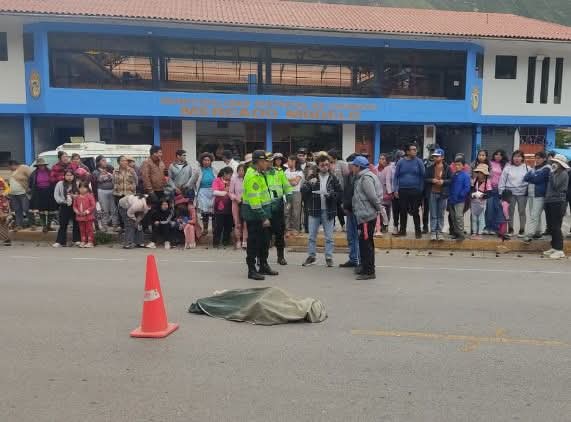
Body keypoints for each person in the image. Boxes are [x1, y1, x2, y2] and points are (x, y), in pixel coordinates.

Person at [301, 154, 342, 268]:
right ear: (318, 166)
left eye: (327, 165)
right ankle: (311, 256)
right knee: (311, 236)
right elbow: (303, 190)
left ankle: (328, 257)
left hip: (328, 210)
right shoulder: (312, 176)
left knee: (329, 237)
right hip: (314, 209)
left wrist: (331, 195)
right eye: (322, 165)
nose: (325, 167)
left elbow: (339, 193)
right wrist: (310, 183)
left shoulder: (333, 178)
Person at [241, 150, 275, 280]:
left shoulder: (260, 173)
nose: (267, 164)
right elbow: (254, 201)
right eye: (265, 161)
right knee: (253, 243)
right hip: (255, 216)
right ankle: (251, 270)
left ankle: (263, 265)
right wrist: (263, 217)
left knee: (264, 242)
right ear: (259, 162)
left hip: (262, 214)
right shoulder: (252, 176)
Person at [351, 156, 382, 280]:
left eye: (354, 166)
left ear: (358, 167)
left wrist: (379, 209)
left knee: (366, 244)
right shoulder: (361, 177)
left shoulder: (366, 178)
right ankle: (365, 266)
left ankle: (369, 271)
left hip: (366, 216)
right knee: (364, 243)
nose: (352, 168)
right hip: (364, 215)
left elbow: (372, 197)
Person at [393, 143, 425, 238]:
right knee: (403, 210)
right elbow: (396, 177)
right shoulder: (400, 162)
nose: (415, 151)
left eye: (415, 149)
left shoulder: (419, 162)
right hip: (402, 190)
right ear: (407, 152)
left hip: (415, 190)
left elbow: (423, 176)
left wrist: (420, 189)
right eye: (413, 149)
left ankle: (418, 231)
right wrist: (395, 189)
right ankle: (402, 231)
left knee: (415, 211)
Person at [266, 154, 292, 265]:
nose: (269, 163)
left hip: (277, 207)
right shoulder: (261, 174)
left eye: (271, 161)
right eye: (267, 161)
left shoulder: (279, 172)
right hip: (265, 208)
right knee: (264, 234)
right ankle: (262, 258)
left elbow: (286, 186)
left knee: (279, 233)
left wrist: (289, 198)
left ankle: (280, 257)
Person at [542, 154, 569, 259]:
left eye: (557, 162)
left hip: (558, 202)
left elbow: (556, 186)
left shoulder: (563, 174)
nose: (554, 164)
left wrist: (552, 174)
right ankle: (554, 247)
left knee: (556, 226)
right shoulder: (554, 173)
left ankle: (559, 249)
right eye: (554, 162)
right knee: (551, 226)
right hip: (550, 201)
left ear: (561, 164)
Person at [499, 150, 529, 236]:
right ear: (512, 158)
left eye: (519, 156)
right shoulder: (508, 168)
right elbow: (502, 181)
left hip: (522, 194)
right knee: (510, 212)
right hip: (510, 193)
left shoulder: (527, 168)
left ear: (522, 158)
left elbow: (530, 180)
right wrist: (501, 192)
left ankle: (522, 230)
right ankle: (510, 229)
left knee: (522, 212)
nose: (517, 158)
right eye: (515, 156)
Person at [523, 151, 550, 243]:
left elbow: (538, 179)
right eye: (536, 158)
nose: (537, 160)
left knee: (534, 215)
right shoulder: (534, 168)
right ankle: (538, 232)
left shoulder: (547, 168)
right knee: (534, 214)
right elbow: (525, 177)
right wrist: (533, 176)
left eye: (539, 158)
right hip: (531, 194)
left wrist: (532, 176)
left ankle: (529, 234)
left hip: (540, 195)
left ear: (544, 159)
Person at [425, 148, 451, 241]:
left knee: (441, 214)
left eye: (437, 156)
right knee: (433, 214)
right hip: (432, 192)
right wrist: (432, 180)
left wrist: (443, 181)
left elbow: (451, 180)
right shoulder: (430, 168)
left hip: (443, 193)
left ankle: (439, 232)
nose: (435, 158)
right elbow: (425, 179)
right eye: (434, 156)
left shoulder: (447, 168)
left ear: (442, 157)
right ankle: (433, 232)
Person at [340, 153, 360, 269]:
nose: (349, 166)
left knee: (358, 237)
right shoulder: (347, 176)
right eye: (348, 164)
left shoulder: (361, 176)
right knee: (350, 236)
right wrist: (344, 204)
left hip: (359, 211)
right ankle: (353, 259)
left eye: (351, 164)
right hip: (349, 210)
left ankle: (361, 261)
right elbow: (345, 192)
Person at [190, 152, 218, 235]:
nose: (206, 162)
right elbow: (191, 182)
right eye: (205, 160)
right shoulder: (198, 170)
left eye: (208, 160)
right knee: (204, 212)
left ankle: (214, 229)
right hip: (202, 192)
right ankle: (205, 229)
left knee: (213, 212)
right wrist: (191, 189)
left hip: (213, 192)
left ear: (211, 161)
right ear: (201, 161)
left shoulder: (214, 170)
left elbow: (218, 180)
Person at [53, 169, 80, 247]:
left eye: (71, 175)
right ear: (64, 176)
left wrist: (75, 197)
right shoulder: (60, 184)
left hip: (75, 205)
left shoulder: (77, 183)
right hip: (64, 205)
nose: (69, 177)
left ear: (74, 176)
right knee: (63, 224)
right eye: (67, 175)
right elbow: (56, 195)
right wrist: (63, 201)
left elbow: (82, 193)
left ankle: (76, 240)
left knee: (76, 223)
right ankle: (60, 241)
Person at [484, 149, 509, 235]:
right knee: (489, 209)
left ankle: (495, 228)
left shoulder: (505, 165)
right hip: (490, 189)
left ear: (503, 156)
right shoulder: (489, 163)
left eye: (500, 155)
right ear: (494, 155)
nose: (498, 156)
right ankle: (488, 227)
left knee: (497, 208)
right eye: (496, 154)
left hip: (499, 190)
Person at [29, 158, 57, 233]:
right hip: (39, 193)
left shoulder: (50, 172)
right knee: (41, 210)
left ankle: (49, 226)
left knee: (51, 210)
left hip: (50, 192)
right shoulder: (34, 174)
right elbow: (30, 184)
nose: (41, 166)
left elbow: (54, 180)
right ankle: (44, 226)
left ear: (45, 165)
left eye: (43, 165)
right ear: (37, 166)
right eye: (40, 165)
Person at [93, 156, 118, 232]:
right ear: (98, 162)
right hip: (102, 191)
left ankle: (115, 225)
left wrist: (109, 175)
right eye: (103, 160)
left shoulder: (110, 169)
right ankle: (104, 226)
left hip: (112, 190)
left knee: (114, 209)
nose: (105, 162)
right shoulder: (95, 172)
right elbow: (95, 182)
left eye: (105, 160)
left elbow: (115, 178)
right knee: (104, 209)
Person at [448, 157, 471, 241]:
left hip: (460, 200)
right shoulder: (453, 175)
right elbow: (450, 186)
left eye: (459, 165)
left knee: (458, 216)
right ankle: (456, 233)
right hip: (451, 199)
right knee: (453, 217)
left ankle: (461, 234)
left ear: (463, 166)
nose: (457, 166)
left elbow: (467, 188)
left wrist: (461, 195)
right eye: (456, 165)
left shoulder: (466, 175)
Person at [112, 155, 138, 228]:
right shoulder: (115, 171)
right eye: (123, 160)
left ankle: (131, 227)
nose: (125, 162)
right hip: (118, 194)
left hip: (129, 195)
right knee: (120, 212)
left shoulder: (131, 170)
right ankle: (122, 227)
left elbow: (136, 181)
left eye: (126, 160)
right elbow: (113, 182)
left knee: (130, 211)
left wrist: (131, 187)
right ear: (118, 162)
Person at [212, 167, 234, 248]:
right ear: (224, 174)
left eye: (231, 175)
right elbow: (214, 192)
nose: (230, 177)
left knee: (228, 225)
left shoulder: (232, 181)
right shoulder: (217, 180)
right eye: (229, 175)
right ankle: (216, 242)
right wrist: (225, 192)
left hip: (230, 206)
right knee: (218, 225)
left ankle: (225, 241)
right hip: (219, 207)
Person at [7, 160, 31, 230]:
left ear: (13, 164)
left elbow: (31, 177)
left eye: (9, 167)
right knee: (17, 210)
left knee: (26, 209)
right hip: (13, 194)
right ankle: (19, 225)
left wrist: (30, 188)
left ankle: (32, 224)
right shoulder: (12, 172)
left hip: (23, 193)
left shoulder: (24, 167)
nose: (9, 168)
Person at [470, 164, 492, 239]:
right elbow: (471, 189)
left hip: (482, 203)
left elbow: (489, 193)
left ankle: (480, 232)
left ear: (485, 174)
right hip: (474, 202)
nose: (479, 174)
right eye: (478, 172)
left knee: (481, 218)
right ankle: (474, 232)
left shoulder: (487, 182)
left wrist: (483, 195)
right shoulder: (474, 180)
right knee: (474, 218)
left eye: (481, 173)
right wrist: (472, 194)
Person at [328, 149, 348, 231]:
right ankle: (332, 226)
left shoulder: (341, 164)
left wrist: (346, 189)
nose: (328, 158)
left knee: (339, 208)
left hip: (340, 190)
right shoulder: (328, 164)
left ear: (334, 156)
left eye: (329, 156)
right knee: (331, 207)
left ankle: (343, 225)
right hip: (330, 190)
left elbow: (346, 176)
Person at [73, 181, 96, 248]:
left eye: (84, 188)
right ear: (78, 188)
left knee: (89, 229)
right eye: (81, 188)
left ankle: (90, 242)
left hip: (88, 216)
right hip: (80, 216)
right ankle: (83, 241)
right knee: (82, 229)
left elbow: (93, 205)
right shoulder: (77, 197)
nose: (82, 189)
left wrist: (86, 212)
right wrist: (77, 211)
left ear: (87, 188)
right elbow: (74, 206)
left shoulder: (90, 196)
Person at [229, 163, 247, 249]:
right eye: (239, 170)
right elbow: (230, 192)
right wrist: (236, 198)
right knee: (237, 223)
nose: (241, 172)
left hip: (246, 204)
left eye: (243, 170)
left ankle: (244, 240)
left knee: (245, 223)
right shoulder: (233, 179)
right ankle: (238, 240)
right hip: (236, 204)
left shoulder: (247, 179)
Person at [285, 155, 304, 235]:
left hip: (296, 193)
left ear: (294, 161)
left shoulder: (299, 172)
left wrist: (287, 180)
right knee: (287, 211)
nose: (287, 163)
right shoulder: (286, 171)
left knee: (296, 212)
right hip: (287, 193)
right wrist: (291, 180)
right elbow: (284, 182)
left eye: (289, 161)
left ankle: (296, 229)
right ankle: (287, 229)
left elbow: (295, 183)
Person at [377, 153, 393, 235]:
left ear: (387, 160)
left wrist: (389, 192)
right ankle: (379, 226)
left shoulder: (389, 168)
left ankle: (385, 226)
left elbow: (389, 181)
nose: (381, 160)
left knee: (386, 210)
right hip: (378, 193)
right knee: (379, 211)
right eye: (380, 158)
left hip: (387, 193)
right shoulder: (376, 168)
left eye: (383, 159)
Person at [0, 177, 11, 246]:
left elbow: (7, 189)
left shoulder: (1, 180)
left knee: (2, 224)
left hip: (2, 206)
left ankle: (6, 239)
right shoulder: (1, 180)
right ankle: (7, 239)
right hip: (4, 204)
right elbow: (7, 189)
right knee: (3, 224)